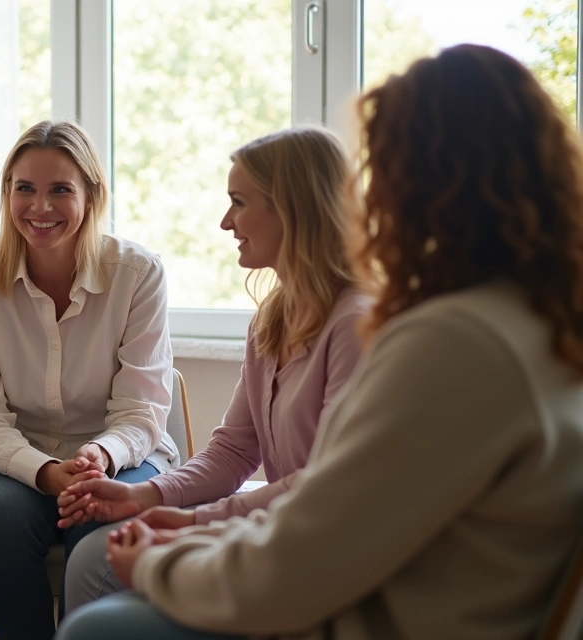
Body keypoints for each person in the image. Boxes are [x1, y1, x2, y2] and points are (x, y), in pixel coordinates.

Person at [55, 44, 583, 640]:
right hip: (394, 587)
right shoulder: (534, 322)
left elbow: (308, 551)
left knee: (100, 622)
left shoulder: (450, 341)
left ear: (426, 185)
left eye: (382, 171)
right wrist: (157, 500)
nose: (369, 200)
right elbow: (279, 481)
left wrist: (164, 555)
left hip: (378, 609)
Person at [59, 126, 370, 614]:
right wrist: (143, 494)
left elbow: (323, 482)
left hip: (328, 546)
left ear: (293, 208)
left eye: (239, 202)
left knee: (100, 569)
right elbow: (233, 451)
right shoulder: (271, 319)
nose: (227, 223)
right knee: (94, 554)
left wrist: (192, 522)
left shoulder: (355, 325)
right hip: (281, 526)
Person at [0, 120, 178, 639]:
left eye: (60, 190)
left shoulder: (138, 274)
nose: (39, 207)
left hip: (121, 457)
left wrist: (102, 455)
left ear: (92, 196)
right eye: (24, 188)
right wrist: (46, 471)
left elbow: (142, 409)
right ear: (6, 193)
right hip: (6, 458)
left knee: (101, 515)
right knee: (3, 520)